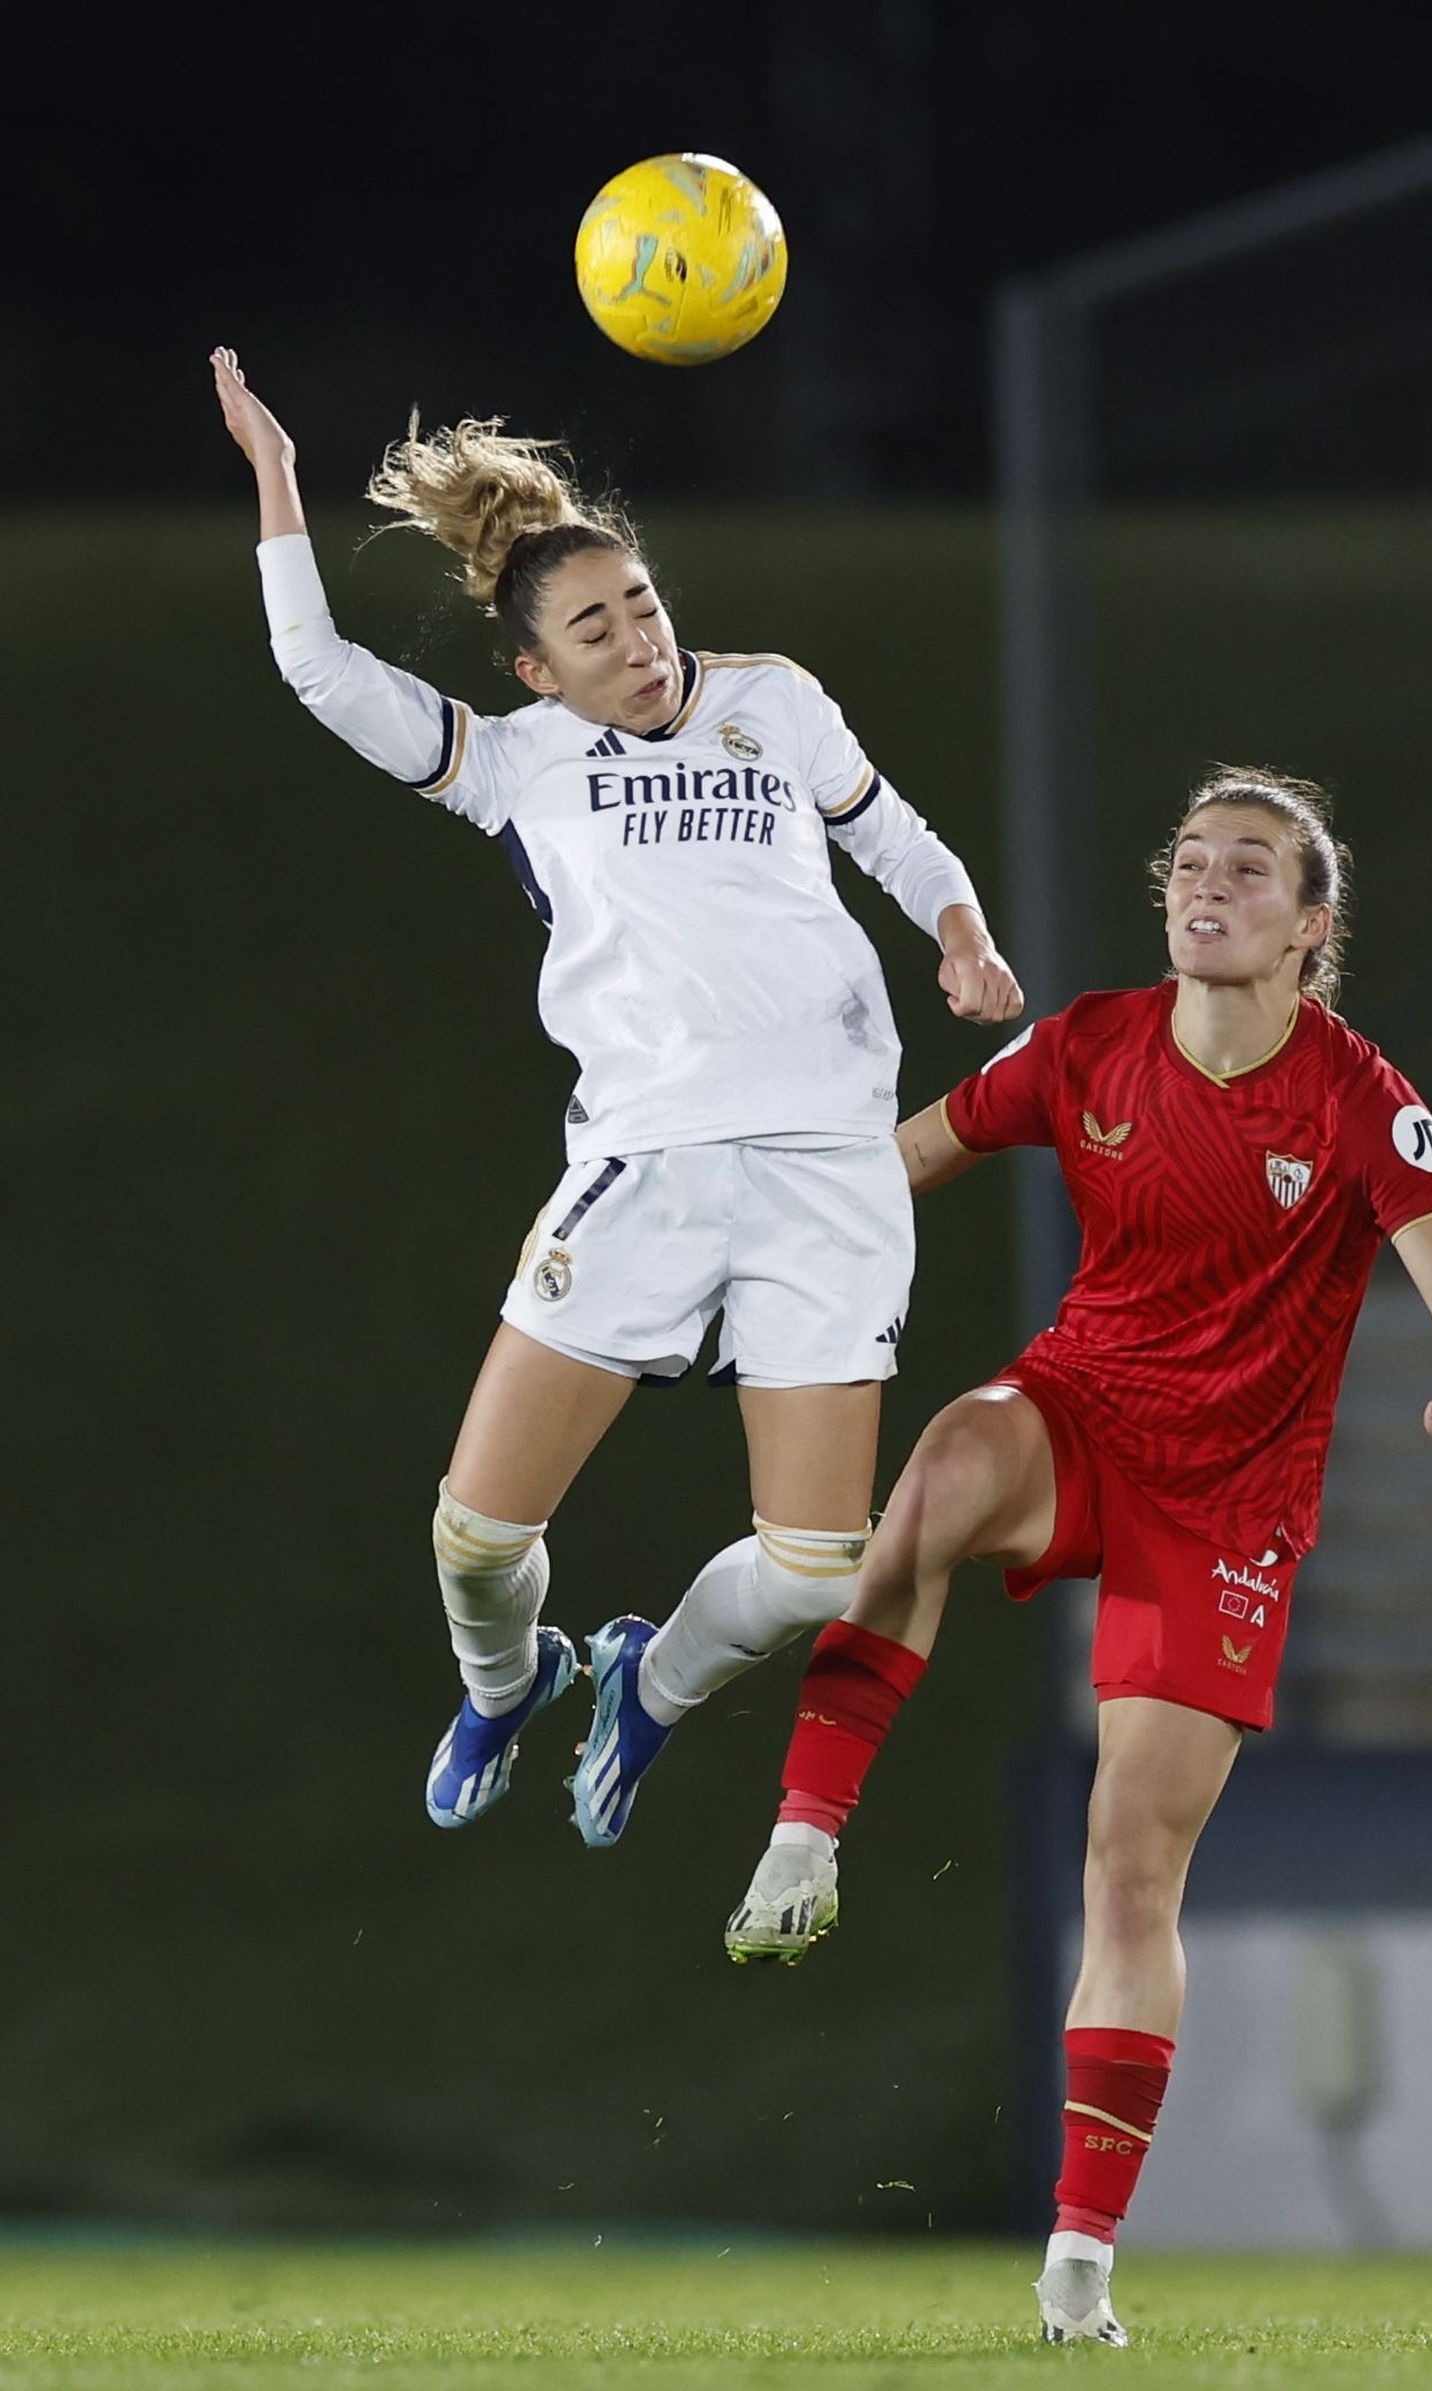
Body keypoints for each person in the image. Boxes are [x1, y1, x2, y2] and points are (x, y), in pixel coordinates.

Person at [723, 766, 1432, 2346]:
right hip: (1086, 1409)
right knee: (942, 1465)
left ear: (1311, 926)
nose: (1210, 885)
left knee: (1129, 1868)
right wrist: (749, 1232)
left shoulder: (1361, 1098)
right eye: (1193, 863)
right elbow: (909, 1156)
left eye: (1252, 869)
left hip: (1229, 1504)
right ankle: (807, 1833)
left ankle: (1079, 2261)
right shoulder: (1087, 1045)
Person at [209, 347, 1021, 1850]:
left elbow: (896, 838)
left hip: (829, 1173)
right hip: (645, 1168)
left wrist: (960, 933)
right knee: (475, 1539)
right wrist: (275, 484)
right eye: (596, 628)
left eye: (642, 602)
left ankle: (651, 1684)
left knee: (813, 1566)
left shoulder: (769, 702)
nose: (640, 640)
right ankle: (505, 1686)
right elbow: (319, 673)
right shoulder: (515, 765)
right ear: (538, 673)